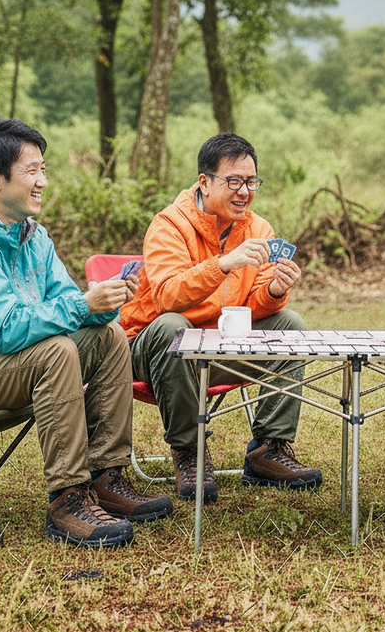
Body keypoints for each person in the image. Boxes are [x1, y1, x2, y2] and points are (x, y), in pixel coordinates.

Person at [0, 118, 172, 549]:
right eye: (32, 171)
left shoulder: (32, 236)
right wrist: (82, 305)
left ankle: (106, 478)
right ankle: (68, 498)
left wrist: (105, 302)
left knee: (111, 337)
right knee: (56, 350)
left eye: (44, 169)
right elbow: (6, 330)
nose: (43, 181)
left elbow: (67, 304)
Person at [120, 132, 322, 503]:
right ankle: (189, 452)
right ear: (204, 182)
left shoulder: (259, 229)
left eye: (251, 181)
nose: (244, 191)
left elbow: (252, 306)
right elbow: (167, 297)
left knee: (290, 323)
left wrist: (275, 291)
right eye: (233, 182)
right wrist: (222, 264)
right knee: (172, 327)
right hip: (150, 351)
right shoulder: (169, 224)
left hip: (217, 346)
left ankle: (268, 449)